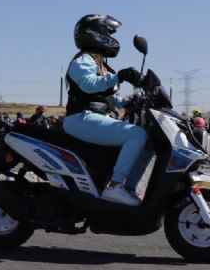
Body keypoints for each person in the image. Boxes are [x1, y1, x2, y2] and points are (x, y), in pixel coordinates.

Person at [61, 14, 151, 206]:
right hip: (80, 117)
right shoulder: (83, 60)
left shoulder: (99, 62)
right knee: (137, 135)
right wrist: (119, 77)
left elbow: (104, 98)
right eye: (108, 33)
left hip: (92, 116)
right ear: (95, 34)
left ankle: (128, 189)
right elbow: (88, 85)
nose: (111, 38)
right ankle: (116, 186)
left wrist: (127, 102)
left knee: (148, 142)